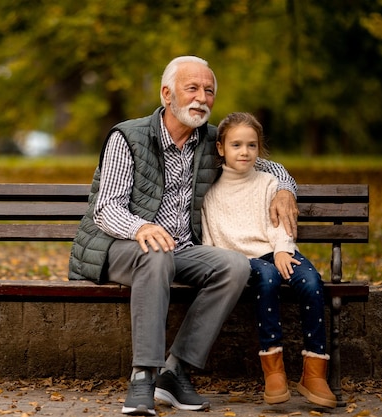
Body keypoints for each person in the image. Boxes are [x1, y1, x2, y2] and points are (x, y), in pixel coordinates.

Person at [68, 56, 299, 416]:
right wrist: (141, 227)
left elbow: (269, 166)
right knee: (155, 253)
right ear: (166, 94)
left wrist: (285, 190)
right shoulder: (126, 136)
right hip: (119, 247)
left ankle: (175, 373)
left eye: (209, 91)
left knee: (236, 267)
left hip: (181, 249)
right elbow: (105, 210)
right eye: (192, 88)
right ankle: (144, 374)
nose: (201, 98)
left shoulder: (212, 141)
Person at [201, 112, 336, 408]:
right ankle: (273, 369)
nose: (245, 152)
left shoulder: (269, 182)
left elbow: (280, 223)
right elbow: (210, 235)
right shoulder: (210, 189)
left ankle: (314, 372)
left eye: (251, 145)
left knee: (311, 282)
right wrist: (219, 262)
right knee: (268, 277)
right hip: (238, 260)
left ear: (259, 148)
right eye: (236, 145)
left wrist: (283, 250)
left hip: (276, 251)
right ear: (221, 148)